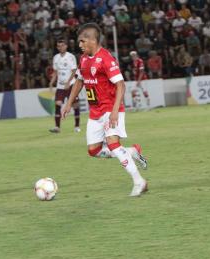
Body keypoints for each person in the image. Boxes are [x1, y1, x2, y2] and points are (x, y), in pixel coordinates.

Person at [62, 23, 148, 197]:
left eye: (82, 41)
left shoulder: (106, 59)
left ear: (93, 40)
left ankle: (140, 182)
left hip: (110, 108)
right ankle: (131, 151)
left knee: (113, 144)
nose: (79, 45)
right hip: (95, 111)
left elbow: (121, 85)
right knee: (93, 150)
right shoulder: (84, 58)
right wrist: (69, 103)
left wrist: (115, 111)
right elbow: (79, 81)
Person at [48, 39, 80, 133]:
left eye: (62, 45)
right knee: (58, 104)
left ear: (66, 46)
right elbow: (56, 72)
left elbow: (74, 70)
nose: (60, 47)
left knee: (75, 105)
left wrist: (68, 82)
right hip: (60, 86)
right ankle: (57, 127)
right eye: (58, 46)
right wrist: (51, 82)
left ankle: (77, 126)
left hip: (71, 85)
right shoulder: (56, 57)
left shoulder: (70, 57)